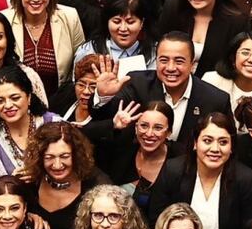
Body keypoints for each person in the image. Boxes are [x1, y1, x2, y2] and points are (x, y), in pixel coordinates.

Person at [147, 112, 252, 229]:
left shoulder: (246, 180)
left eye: (223, 142)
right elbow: (156, 220)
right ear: (195, 143)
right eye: (207, 141)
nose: (215, 149)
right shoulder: (173, 170)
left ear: (231, 147)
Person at [91, 32, 233, 157]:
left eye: (179, 61)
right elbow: (105, 121)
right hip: (134, 171)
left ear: (192, 64)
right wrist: (103, 96)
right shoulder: (137, 84)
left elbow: (228, 144)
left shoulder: (215, 99)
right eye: (164, 60)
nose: (171, 68)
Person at [156, 0, 249, 77]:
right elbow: (160, 48)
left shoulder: (236, 21)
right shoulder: (172, 8)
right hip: (172, 78)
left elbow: (235, 64)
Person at [25, 121, 110, 229]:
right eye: (49, 157)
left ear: (76, 155)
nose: (57, 165)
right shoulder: (31, 181)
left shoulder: (98, 186)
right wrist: (25, 217)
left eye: (64, 156)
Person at [3, 0, 86, 97]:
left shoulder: (69, 16)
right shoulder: (4, 20)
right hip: (19, 104)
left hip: (60, 102)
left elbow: (81, 62)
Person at [0, 65, 61, 179]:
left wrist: (41, 173)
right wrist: (8, 184)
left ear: (29, 98)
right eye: (0, 101)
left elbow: (76, 170)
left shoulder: (55, 125)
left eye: (15, 98)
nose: (8, 105)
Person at [111, 101, 173, 214]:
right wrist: (113, 126)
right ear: (136, 128)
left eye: (158, 128)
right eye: (144, 126)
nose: (149, 134)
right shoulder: (123, 151)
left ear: (169, 132)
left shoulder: (178, 161)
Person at [72, 0, 156, 70]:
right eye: (116, 21)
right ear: (107, 22)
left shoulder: (155, 53)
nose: (123, 28)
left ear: (141, 23)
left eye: (130, 22)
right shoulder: (89, 51)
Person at [50, 54, 99, 127]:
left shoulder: (108, 115)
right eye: (81, 85)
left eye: (93, 87)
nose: (86, 91)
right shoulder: (65, 93)